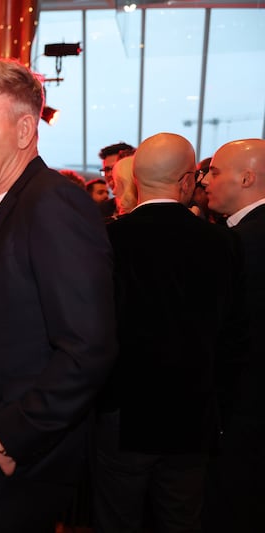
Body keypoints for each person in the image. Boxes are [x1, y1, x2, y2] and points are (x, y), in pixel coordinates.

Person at [0, 57, 117, 531]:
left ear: (24, 131)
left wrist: (12, 437)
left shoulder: (51, 203)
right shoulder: (6, 200)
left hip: (21, 451)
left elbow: (89, 346)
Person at [92, 133, 246, 532]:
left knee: (117, 520)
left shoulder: (108, 240)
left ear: (137, 180)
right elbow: (231, 338)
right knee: (181, 519)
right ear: (186, 181)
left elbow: (93, 332)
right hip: (191, 415)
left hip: (123, 414)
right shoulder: (223, 243)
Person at [202, 138, 265, 532]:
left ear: (246, 177)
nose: (205, 180)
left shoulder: (240, 243)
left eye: (215, 171)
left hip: (241, 407)